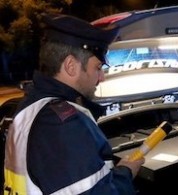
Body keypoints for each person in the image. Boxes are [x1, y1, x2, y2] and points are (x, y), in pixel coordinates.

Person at [4, 13, 144, 195]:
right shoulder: (62, 124)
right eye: (98, 68)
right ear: (71, 66)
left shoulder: (28, 106)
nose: (101, 77)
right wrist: (126, 172)